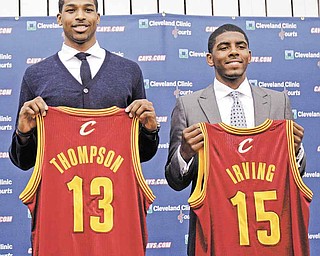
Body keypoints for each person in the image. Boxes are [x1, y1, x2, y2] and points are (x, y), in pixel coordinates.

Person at [165, 24, 307, 256]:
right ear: (210, 59)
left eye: (240, 47)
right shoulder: (188, 105)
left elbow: (296, 174)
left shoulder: (278, 101)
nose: (233, 52)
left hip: (270, 233)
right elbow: (174, 180)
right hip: (216, 231)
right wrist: (186, 153)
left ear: (249, 56)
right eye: (224, 47)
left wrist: (296, 150)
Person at [9, 0, 159, 170]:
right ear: (59, 18)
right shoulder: (35, 75)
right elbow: (23, 162)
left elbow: (143, 155)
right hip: (58, 193)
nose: (80, 16)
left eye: (88, 10)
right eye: (71, 10)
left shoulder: (129, 71)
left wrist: (149, 131)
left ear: (98, 17)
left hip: (115, 192)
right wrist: (23, 134)